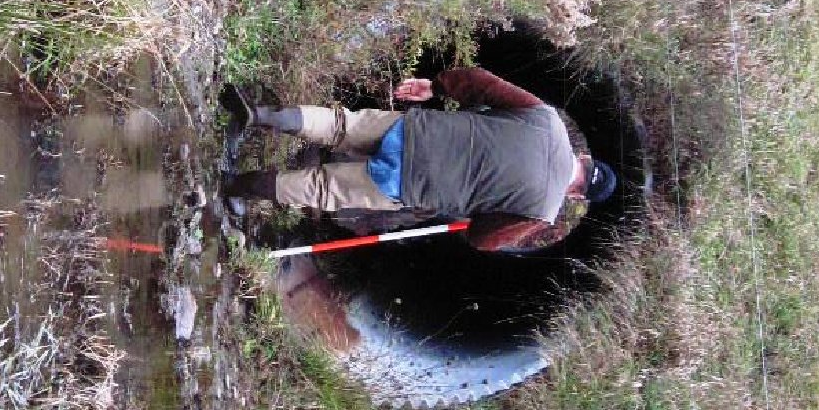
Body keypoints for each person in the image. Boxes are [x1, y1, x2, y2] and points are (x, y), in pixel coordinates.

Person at [223, 64, 618, 253]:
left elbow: (483, 84)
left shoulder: (546, 120)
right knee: (322, 188)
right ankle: (234, 185)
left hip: (416, 130)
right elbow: (483, 239)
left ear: (584, 157)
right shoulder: (540, 212)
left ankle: (259, 115)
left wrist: (437, 86)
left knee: (340, 125)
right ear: (577, 196)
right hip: (411, 183)